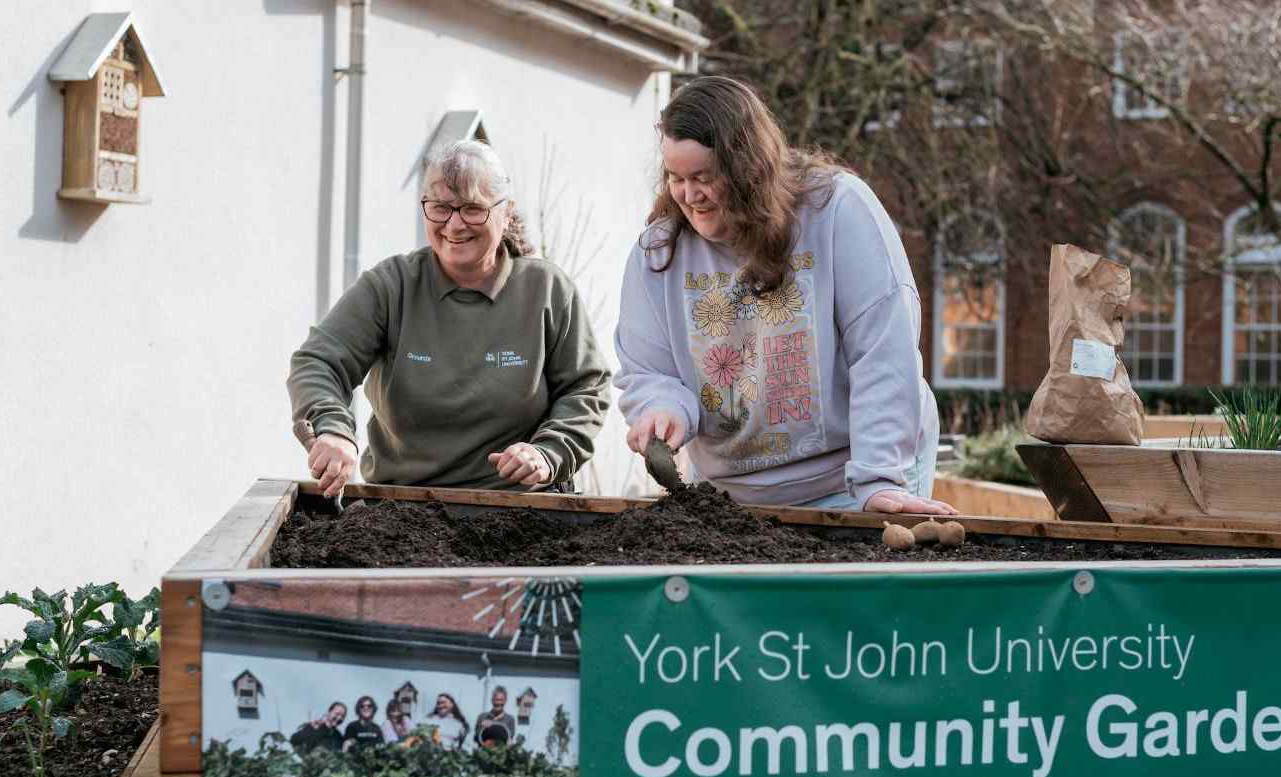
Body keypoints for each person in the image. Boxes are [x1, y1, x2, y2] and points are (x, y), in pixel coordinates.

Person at [615, 76, 958, 515]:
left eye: (703, 177)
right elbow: (648, 369)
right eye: (675, 178)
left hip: (856, 478)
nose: (688, 195)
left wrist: (878, 478)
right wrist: (663, 407)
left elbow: (883, 351)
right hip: (731, 496)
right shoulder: (658, 252)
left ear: (746, 169)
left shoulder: (836, 210)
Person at [288, 139, 612, 496]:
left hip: (523, 507)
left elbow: (586, 387)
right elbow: (318, 361)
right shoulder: (391, 287)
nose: (455, 225)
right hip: (404, 505)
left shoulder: (547, 290)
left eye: (473, 209)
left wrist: (548, 452)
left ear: (506, 213)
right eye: (441, 208)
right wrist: (333, 428)